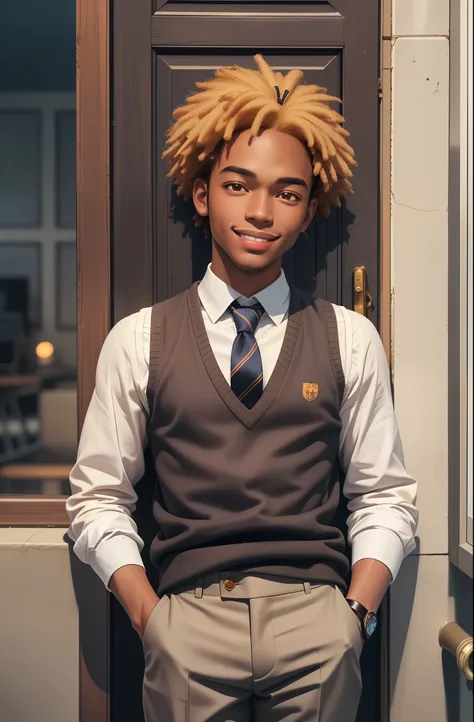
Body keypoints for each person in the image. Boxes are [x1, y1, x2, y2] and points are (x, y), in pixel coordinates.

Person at [67, 55, 418, 722]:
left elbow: (386, 494)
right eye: (238, 185)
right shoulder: (139, 339)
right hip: (187, 621)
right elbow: (98, 498)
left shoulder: (349, 339)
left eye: (287, 193)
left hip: (318, 620)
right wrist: (152, 620)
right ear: (203, 195)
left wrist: (354, 616)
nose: (260, 211)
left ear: (308, 211)